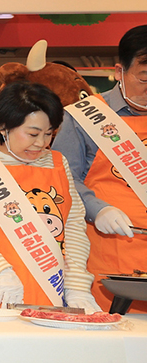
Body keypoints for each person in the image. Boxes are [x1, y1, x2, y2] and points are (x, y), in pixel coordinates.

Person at [0, 81, 98, 312]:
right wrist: (1, 272)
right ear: (4, 127)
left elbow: (73, 225)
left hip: (54, 287)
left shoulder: (57, 163)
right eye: (32, 134)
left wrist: (77, 285)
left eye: (49, 134)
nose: (41, 143)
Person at [53, 25, 147, 312]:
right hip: (108, 255)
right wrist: (98, 209)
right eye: (144, 78)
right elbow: (63, 178)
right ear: (119, 72)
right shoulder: (84, 116)